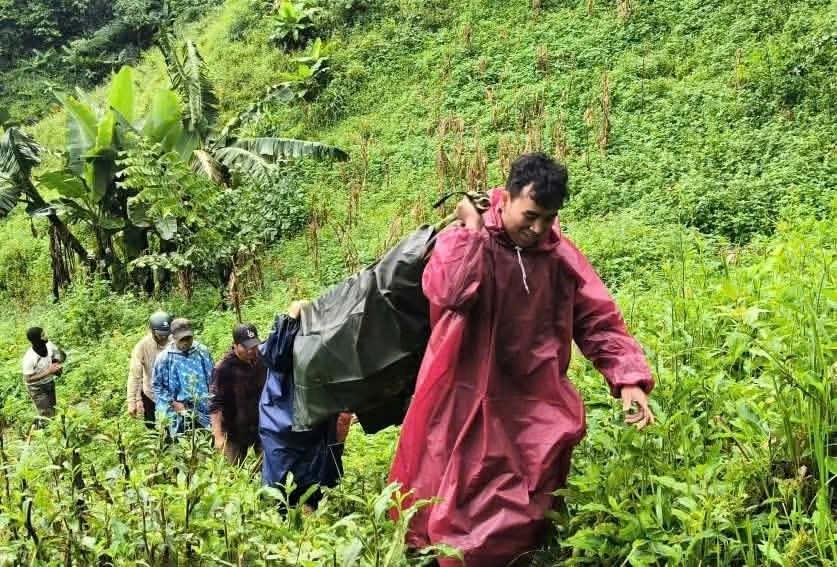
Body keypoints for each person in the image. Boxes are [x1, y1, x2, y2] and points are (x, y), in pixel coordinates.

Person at [389, 153, 656, 566]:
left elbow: (597, 318)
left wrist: (629, 380)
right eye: (531, 215)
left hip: (533, 398)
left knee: (525, 501)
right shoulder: (465, 239)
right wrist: (473, 232)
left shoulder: (558, 256)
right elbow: (448, 292)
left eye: (549, 219)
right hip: (464, 395)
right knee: (453, 496)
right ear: (508, 198)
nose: (538, 228)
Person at [259, 301, 344, 509]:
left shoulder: (279, 347)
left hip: (287, 427)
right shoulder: (306, 346)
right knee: (303, 484)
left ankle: (294, 522)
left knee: (291, 486)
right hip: (297, 425)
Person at [210, 323, 268, 464]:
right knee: (234, 472)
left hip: (260, 426)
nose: (251, 351)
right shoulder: (223, 368)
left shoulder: (262, 359)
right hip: (234, 430)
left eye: (254, 346)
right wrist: (218, 435)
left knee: (268, 467)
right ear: (235, 345)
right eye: (245, 347)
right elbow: (215, 404)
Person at [153, 318, 214, 436]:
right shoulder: (164, 358)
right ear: (173, 338)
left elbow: (212, 377)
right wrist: (173, 403)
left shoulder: (202, 351)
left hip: (203, 406)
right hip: (178, 408)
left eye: (189, 338)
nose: (186, 342)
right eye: (182, 339)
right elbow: (157, 386)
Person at [127, 311, 172, 428]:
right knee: (151, 424)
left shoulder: (175, 341)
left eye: (166, 334)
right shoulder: (142, 346)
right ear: (152, 331)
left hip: (171, 392)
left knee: (172, 425)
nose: (163, 338)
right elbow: (134, 374)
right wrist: (132, 401)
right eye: (160, 335)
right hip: (150, 392)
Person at [21, 327, 65, 421]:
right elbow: (28, 379)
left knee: (53, 409)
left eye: (44, 333)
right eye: (43, 335)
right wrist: (49, 371)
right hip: (36, 388)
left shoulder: (48, 344)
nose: (46, 336)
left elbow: (56, 352)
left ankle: (53, 429)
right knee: (46, 414)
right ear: (37, 339)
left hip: (49, 382)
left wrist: (55, 362)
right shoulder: (29, 358)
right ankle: (44, 430)